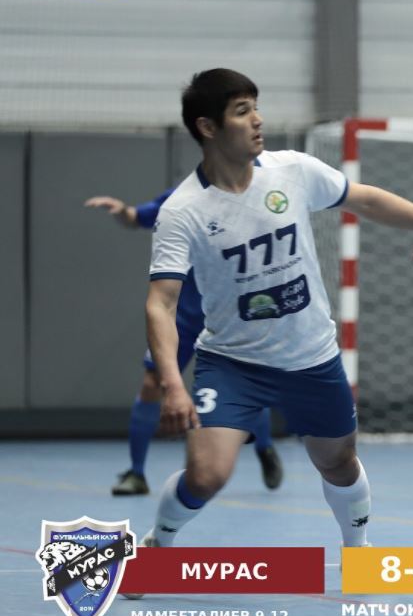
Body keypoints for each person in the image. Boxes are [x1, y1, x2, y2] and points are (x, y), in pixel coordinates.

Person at [130, 68, 413, 574]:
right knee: (206, 474)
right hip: (233, 363)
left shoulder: (291, 170)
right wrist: (173, 385)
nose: (258, 120)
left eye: (256, 107)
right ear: (208, 127)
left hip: (311, 357)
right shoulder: (184, 211)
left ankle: (358, 552)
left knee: (338, 462)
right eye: (242, 112)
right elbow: (161, 304)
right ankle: (159, 543)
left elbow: (365, 197)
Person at [86, 190, 284, 495]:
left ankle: (264, 447)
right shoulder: (183, 197)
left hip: (230, 316)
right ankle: (136, 473)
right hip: (185, 316)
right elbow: (136, 217)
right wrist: (122, 210)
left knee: (246, 389)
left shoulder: (254, 197)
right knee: (152, 383)